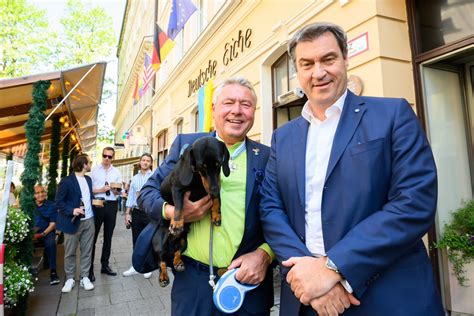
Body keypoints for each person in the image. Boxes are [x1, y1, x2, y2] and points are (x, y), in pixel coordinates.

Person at [259, 22, 445, 316]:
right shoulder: (283, 136)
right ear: (297, 72)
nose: (318, 72)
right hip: (307, 300)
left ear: (346, 60)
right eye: (306, 64)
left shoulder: (392, 114)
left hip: (386, 297)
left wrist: (334, 268)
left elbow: (414, 202)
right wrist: (308, 274)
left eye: (328, 59)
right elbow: (270, 208)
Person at [139, 77, 274, 315]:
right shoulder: (186, 145)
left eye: (246, 104)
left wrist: (265, 253)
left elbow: (283, 212)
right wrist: (173, 212)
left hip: (247, 283)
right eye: (228, 102)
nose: (237, 111)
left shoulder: (267, 156)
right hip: (192, 283)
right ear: (213, 109)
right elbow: (147, 193)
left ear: (254, 111)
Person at [55, 154, 95, 292]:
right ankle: (70, 278)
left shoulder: (89, 180)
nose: (90, 164)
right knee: (70, 252)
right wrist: (73, 210)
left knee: (87, 251)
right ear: (84, 164)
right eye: (89, 162)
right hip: (72, 222)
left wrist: (96, 202)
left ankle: (84, 277)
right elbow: (59, 202)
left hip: (89, 220)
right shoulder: (66, 181)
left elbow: (88, 196)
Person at [90, 146, 122, 280]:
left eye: (109, 156)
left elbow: (119, 190)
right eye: (105, 156)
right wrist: (101, 189)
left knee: (108, 237)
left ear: (112, 157)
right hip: (98, 204)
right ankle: (89, 268)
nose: (107, 159)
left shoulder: (117, 172)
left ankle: (105, 265)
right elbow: (90, 190)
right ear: (101, 155)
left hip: (112, 204)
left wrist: (116, 191)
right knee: (93, 237)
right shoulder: (94, 171)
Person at [123, 153, 153, 279]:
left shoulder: (155, 177)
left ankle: (147, 267)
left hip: (150, 212)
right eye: (143, 160)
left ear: (151, 163)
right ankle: (135, 266)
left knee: (148, 240)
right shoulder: (135, 178)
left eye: (148, 161)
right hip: (136, 211)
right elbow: (130, 197)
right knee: (136, 240)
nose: (145, 162)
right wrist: (127, 213)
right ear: (140, 162)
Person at [33, 184, 60, 285]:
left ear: (45, 193)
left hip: (46, 232)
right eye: (37, 193)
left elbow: (53, 225)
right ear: (33, 195)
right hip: (32, 233)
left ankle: (53, 272)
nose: (40, 194)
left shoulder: (51, 205)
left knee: (50, 244)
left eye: (42, 192)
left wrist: (42, 234)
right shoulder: (29, 206)